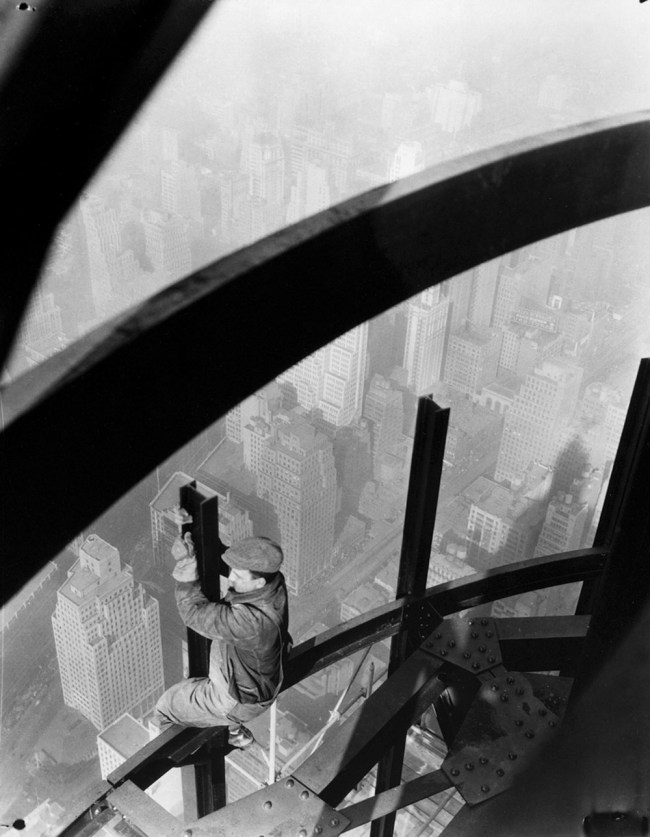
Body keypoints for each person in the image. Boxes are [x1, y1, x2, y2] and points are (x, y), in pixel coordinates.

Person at [152, 532, 290, 748]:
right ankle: (232, 727)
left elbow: (193, 614)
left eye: (238, 576)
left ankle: (198, 750)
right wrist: (194, 536)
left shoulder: (252, 623)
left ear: (258, 582)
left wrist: (186, 574)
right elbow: (235, 567)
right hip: (252, 678)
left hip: (237, 700)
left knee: (165, 707)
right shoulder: (273, 584)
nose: (231, 578)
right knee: (200, 684)